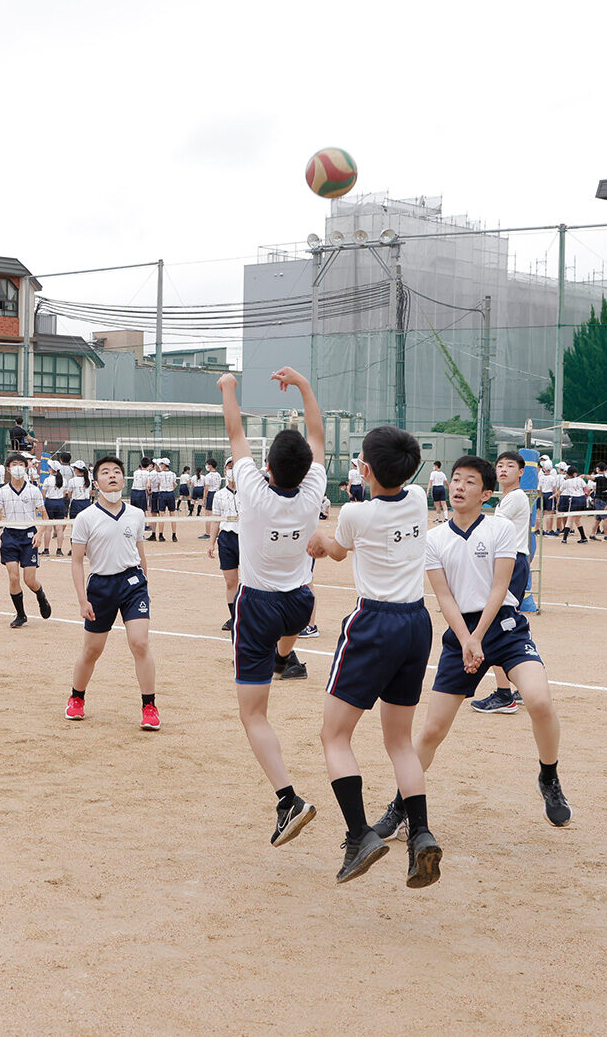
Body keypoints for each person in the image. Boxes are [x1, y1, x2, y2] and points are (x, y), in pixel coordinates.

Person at [382, 454, 571, 832]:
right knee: (433, 731)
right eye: (455, 480)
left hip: (503, 628)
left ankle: (548, 777)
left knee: (539, 699)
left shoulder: (500, 529)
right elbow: (445, 597)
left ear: (486, 493)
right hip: (461, 636)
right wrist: (467, 641)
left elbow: (501, 588)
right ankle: (400, 804)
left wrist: (479, 638)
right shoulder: (434, 539)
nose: (458, 487)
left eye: (470, 482)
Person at [306, 426, 440, 886]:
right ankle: (420, 833)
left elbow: (338, 553)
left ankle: (359, 834)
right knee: (399, 742)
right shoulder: (419, 497)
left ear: (365, 469)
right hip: (416, 624)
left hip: (374, 624)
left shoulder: (356, 514)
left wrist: (320, 540)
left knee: (334, 736)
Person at [218, 366, 327, 849]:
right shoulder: (313, 492)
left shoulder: (253, 493)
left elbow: (235, 431)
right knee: (290, 632)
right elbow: (318, 436)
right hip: (300, 606)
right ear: (306, 469)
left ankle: (288, 800)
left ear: (268, 467)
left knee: (253, 715)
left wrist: (228, 388)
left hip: (259, 605)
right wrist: (303, 386)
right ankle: (285, 658)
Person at [66, 455, 158, 730]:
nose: (113, 475)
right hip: (101, 588)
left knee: (140, 643)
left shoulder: (136, 514)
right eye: (105, 472)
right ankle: (76, 698)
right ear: (96, 483)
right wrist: (82, 599)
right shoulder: (85, 518)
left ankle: (149, 707)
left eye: (117, 471)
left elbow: (141, 554)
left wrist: (146, 585)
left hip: (133, 584)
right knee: (92, 650)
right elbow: (76, 561)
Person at [469, 451, 532, 715]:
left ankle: (505, 694)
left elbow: (493, 530)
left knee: (498, 623)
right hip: (511, 560)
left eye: (510, 466)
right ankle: (524, 684)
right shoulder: (509, 498)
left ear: (521, 472)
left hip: (512, 561)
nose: (503, 469)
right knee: (505, 622)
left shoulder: (516, 497)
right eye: (500, 465)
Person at [0, 454, 53, 628]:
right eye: (14, 464)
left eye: (21, 464)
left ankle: (41, 595)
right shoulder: (2, 491)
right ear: (8, 469)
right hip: (10, 536)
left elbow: (45, 517)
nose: (17, 467)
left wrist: (39, 534)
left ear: (26, 468)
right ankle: (21, 615)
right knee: (13, 577)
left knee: (29, 580)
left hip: (28, 537)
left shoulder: (33, 490)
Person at [208, 465, 239, 631]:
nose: (232, 470)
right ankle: (234, 617)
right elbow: (216, 520)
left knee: (251, 582)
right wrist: (211, 543)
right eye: (229, 467)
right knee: (230, 581)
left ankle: (249, 616)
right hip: (227, 539)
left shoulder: (249, 492)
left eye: (235, 467)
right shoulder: (219, 495)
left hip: (247, 538)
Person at [41, 461, 69, 556]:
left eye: (49, 467)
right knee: (59, 528)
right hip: (60, 502)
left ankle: (46, 549)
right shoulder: (64, 480)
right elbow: (65, 493)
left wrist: (48, 498)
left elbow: (43, 493)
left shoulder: (47, 480)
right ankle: (59, 550)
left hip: (50, 502)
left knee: (48, 527)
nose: (48, 468)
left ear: (52, 469)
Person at [200, 459, 222, 536]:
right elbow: (219, 486)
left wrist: (204, 499)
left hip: (210, 494)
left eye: (207, 464)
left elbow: (206, 489)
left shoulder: (208, 476)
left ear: (210, 465)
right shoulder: (219, 475)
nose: (206, 466)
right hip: (217, 494)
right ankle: (216, 533)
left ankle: (208, 533)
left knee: (208, 515)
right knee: (216, 514)